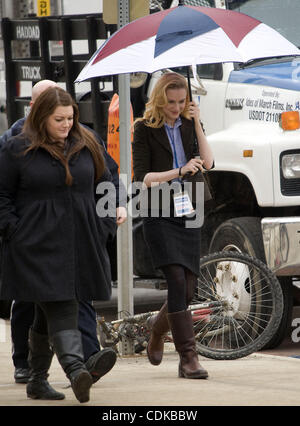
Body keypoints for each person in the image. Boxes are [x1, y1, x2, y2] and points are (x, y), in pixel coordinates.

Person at [0, 80, 126, 387]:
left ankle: (37, 380)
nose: (67, 125)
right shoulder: (16, 147)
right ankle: (76, 367)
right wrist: (15, 231)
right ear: (41, 116)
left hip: (79, 242)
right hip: (35, 245)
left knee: (50, 309)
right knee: (61, 301)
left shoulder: (86, 142)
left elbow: (106, 183)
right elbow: (1, 196)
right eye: (59, 120)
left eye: (70, 118)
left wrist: (105, 225)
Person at [132, 72, 214, 380]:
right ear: (158, 100)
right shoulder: (143, 129)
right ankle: (188, 358)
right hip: (159, 209)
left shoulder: (188, 124)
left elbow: (208, 162)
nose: (176, 108)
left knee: (189, 288)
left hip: (189, 206)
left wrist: (197, 124)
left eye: (181, 102)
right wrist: (178, 170)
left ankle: (156, 330)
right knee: (177, 282)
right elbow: (143, 178)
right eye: (170, 102)